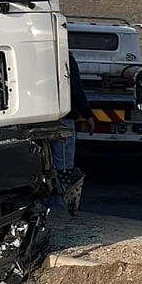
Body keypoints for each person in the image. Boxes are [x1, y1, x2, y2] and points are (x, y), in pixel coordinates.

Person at [51, 54, 94, 213]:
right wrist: (88, 115)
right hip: (63, 119)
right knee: (63, 167)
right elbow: (76, 90)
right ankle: (62, 208)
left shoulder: (35, 55)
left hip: (37, 120)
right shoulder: (66, 58)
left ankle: (46, 206)